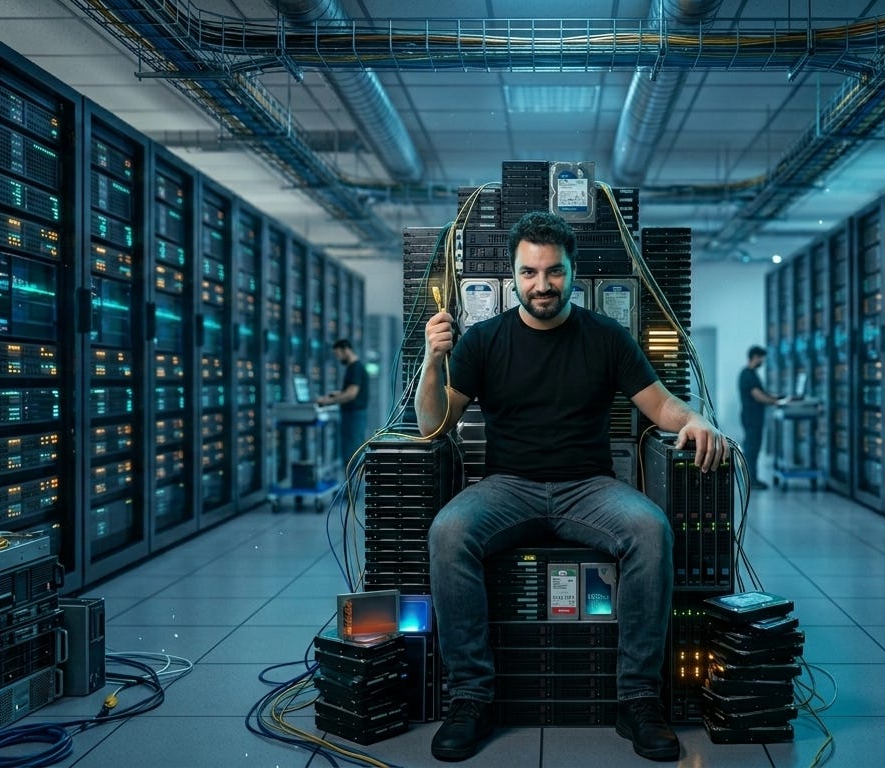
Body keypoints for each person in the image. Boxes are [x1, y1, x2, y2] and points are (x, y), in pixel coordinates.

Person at [416, 211, 728, 762]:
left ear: (573, 273)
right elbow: (431, 425)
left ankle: (636, 700)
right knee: (448, 532)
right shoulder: (484, 341)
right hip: (507, 487)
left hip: (588, 487)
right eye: (530, 272)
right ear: (513, 274)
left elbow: (660, 406)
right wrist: (431, 362)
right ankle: (471, 697)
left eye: (554, 272)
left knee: (650, 529)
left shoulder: (606, 337)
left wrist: (696, 419)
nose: (542, 285)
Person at [317, 339, 369, 467]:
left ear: (346, 350)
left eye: (338, 354)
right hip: (354, 415)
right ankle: (351, 484)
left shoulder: (355, 368)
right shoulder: (355, 367)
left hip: (354, 416)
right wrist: (338, 394)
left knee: (352, 453)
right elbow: (350, 391)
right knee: (352, 450)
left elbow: (351, 394)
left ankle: (352, 485)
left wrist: (328, 402)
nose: (338, 358)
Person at [739, 345, 780, 490]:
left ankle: (752, 478)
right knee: (751, 448)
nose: (762, 361)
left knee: (753, 447)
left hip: (753, 417)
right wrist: (776, 402)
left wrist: (777, 397)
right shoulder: (748, 375)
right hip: (752, 417)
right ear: (755, 357)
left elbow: (762, 392)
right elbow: (758, 395)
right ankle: (751, 479)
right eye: (761, 358)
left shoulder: (751, 374)